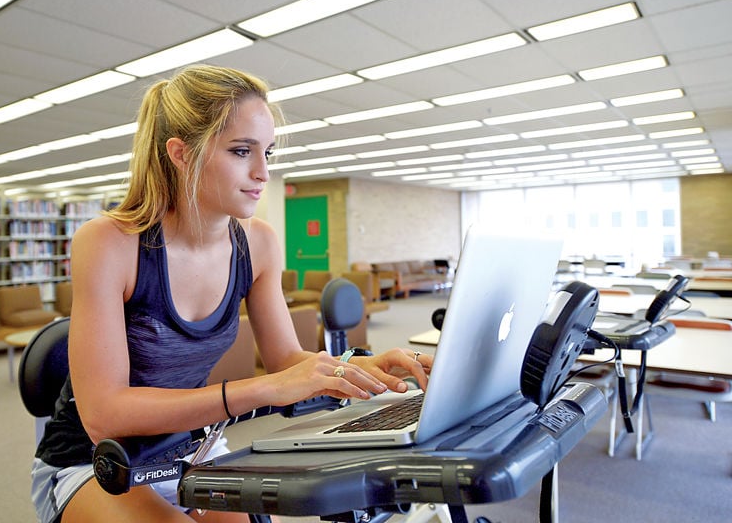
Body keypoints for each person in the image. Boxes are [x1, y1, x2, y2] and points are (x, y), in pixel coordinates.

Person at [30, 64, 433, 523]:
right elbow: (105, 415)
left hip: (189, 448)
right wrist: (263, 388)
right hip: (96, 461)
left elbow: (284, 358)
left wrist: (358, 368)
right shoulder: (109, 244)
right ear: (181, 154)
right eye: (242, 151)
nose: (263, 173)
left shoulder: (256, 243)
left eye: (268, 152)